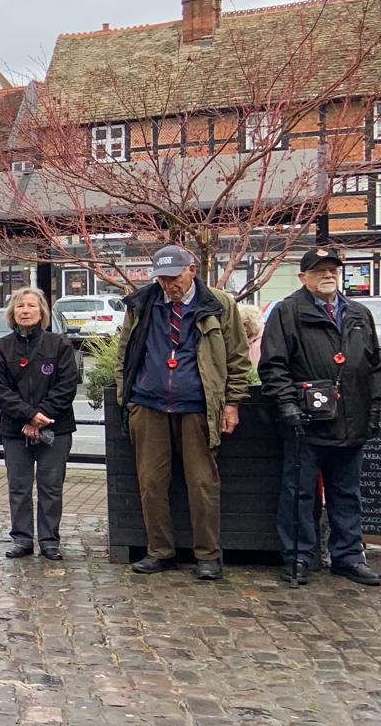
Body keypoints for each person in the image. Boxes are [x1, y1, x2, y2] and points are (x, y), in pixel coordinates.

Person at [114, 244, 251, 580]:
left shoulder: (219, 304)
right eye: (161, 278)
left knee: (203, 483)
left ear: (192, 269)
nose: (168, 285)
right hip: (149, 405)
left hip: (197, 406)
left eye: (173, 277)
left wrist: (231, 403)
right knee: (151, 482)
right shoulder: (143, 303)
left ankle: (208, 556)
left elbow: (238, 357)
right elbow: (125, 352)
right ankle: (160, 552)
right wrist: (127, 399)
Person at [258, 247, 381, 586]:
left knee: (348, 493)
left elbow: (373, 366)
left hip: (351, 420)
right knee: (298, 492)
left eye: (332, 270)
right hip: (307, 421)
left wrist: (374, 409)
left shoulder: (357, 313)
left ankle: (348, 557)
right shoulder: (288, 312)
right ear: (303, 277)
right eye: (319, 270)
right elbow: (274, 366)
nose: (328, 275)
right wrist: (287, 405)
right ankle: (298, 557)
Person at [0, 290, 79, 561]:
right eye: (20, 306)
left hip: (55, 427)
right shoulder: (0, 349)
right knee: (19, 486)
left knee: (51, 486)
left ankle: (49, 540)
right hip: (15, 429)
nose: (25, 311)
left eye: (31, 306)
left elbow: (67, 385)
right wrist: (27, 416)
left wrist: (43, 415)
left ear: (41, 312)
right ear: (12, 313)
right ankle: (22, 539)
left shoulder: (58, 345)